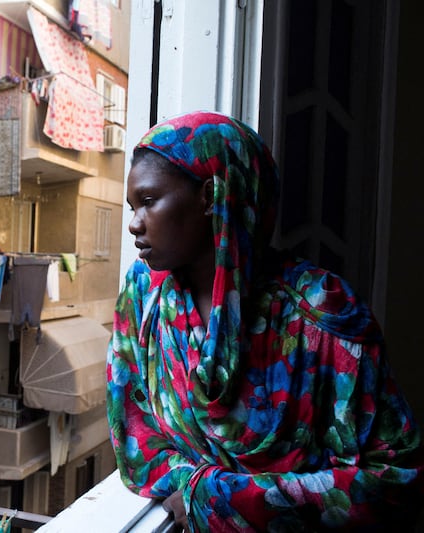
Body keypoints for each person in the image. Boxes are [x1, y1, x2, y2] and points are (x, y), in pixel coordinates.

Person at [106, 110, 424, 531]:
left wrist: (218, 497)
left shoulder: (321, 313)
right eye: (132, 206)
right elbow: (135, 439)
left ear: (210, 195)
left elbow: (397, 479)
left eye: (148, 202)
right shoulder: (144, 297)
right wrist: (194, 487)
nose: (134, 224)